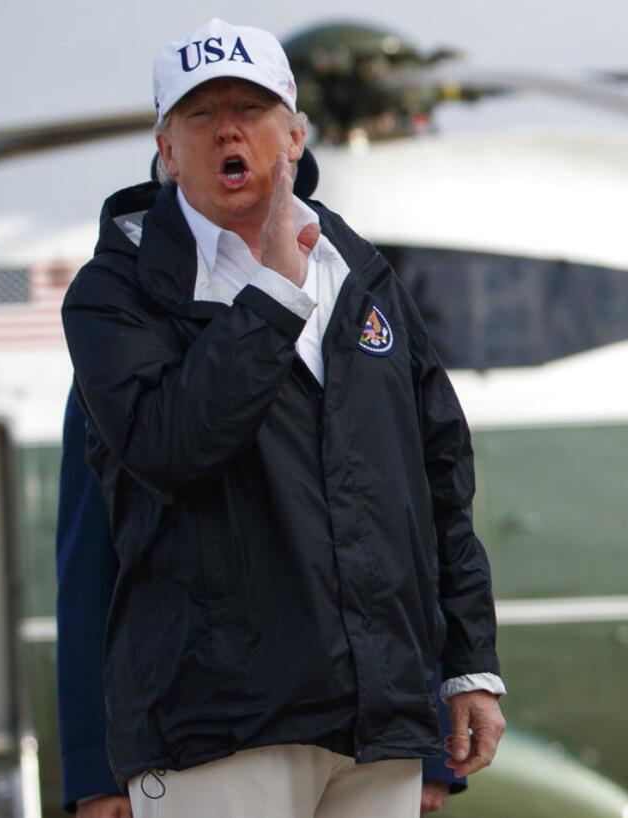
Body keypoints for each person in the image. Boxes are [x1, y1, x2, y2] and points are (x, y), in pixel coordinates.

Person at [60, 18, 503, 818]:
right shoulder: (117, 295)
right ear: (166, 149)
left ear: (295, 134)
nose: (230, 129)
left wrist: (462, 673)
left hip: (375, 734)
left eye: (254, 108)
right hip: (216, 731)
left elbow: (436, 477)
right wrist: (271, 291)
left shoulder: (362, 275)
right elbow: (162, 455)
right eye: (201, 114)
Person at [56, 392, 466, 816]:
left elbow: (406, 533)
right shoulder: (132, 337)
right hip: (212, 719)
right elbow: (91, 567)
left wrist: (432, 737)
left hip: (373, 729)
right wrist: (94, 769)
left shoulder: (361, 334)